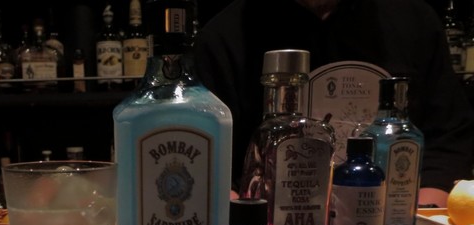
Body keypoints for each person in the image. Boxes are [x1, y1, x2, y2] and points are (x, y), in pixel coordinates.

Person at [193, 0, 474, 207]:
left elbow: (448, 137)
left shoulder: (414, 21)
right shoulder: (223, 37)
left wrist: (413, 223)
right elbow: (210, 166)